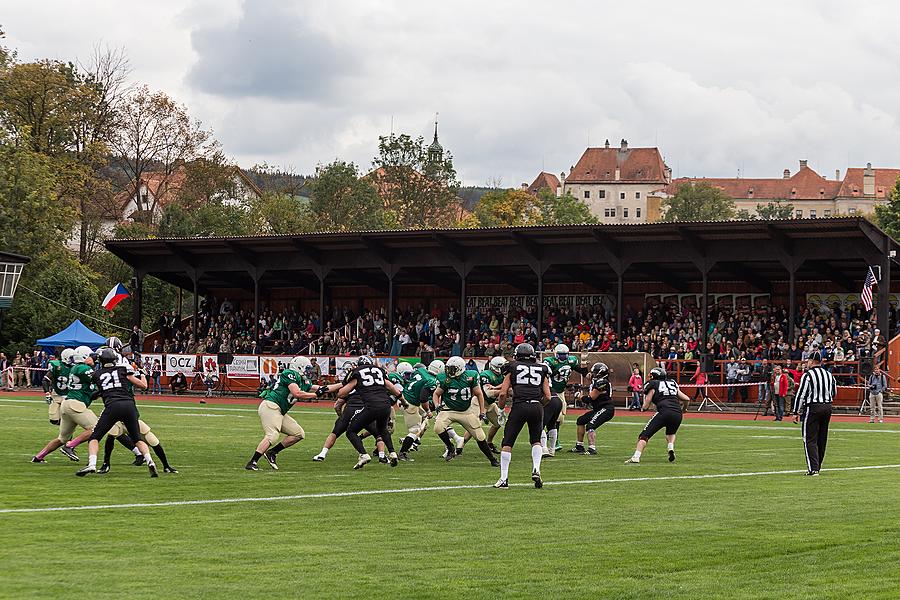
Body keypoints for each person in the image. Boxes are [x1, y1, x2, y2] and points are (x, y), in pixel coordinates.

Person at [75, 348, 159, 477]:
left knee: (95, 437)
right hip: (129, 405)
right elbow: (143, 386)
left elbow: (94, 390)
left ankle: (92, 464)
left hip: (112, 406)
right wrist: (143, 374)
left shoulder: (97, 374)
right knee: (136, 438)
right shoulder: (123, 370)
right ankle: (150, 461)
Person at [245, 356, 323, 471]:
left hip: (279, 411)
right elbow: (297, 393)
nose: (308, 371)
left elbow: (322, 388)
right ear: (299, 367)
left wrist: (343, 385)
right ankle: (252, 462)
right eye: (306, 368)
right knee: (272, 435)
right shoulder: (289, 374)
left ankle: (272, 452)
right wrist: (316, 394)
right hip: (271, 406)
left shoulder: (303, 381)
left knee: (298, 433)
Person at [494, 343, 551, 489]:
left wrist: (500, 409)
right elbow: (548, 397)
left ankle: (504, 479)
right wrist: (538, 406)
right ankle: (536, 469)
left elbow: (502, 393)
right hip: (537, 406)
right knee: (536, 440)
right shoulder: (542, 368)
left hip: (519, 405)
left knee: (507, 443)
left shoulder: (511, 367)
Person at [31, 346, 97, 463]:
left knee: (62, 438)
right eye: (91, 356)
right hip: (75, 404)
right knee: (95, 428)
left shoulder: (77, 367)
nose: (94, 359)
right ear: (84, 357)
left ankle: (38, 457)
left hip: (67, 404)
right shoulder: (82, 368)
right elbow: (99, 378)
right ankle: (70, 446)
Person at [335, 355, 402, 469]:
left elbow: (341, 393)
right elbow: (392, 387)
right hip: (386, 405)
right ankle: (392, 452)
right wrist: (403, 400)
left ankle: (363, 454)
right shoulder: (379, 371)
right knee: (382, 430)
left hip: (371, 406)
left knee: (351, 431)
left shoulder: (357, 373)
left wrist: (339, 392)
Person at [431, 356, 499, 466]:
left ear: (460, 368)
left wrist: (482, 411)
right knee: (438, 427)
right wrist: (437, 405)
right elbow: (436, 393)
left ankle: (492, 459)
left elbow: (479, 394)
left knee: (480, 436)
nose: (449, 371)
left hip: (466, 411)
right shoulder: (444, 378)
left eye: (452, 369)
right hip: (449, 410)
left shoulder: (470, 376)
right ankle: (450, 447)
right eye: (448, 368)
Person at [625, 366, 689, 464]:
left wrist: (644, 408)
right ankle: (670, 447)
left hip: (664, 412)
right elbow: (686, 399)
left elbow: (646, 405)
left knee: (644, 436)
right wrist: (684, 409)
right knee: (670, 433)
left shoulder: (653, 384)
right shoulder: (672, 383)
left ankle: (636, 457)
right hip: (677, 413)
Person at [793, 354, 836, 476]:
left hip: (813, 407)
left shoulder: (808, 375)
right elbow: (834, 392)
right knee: (822, 438)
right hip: (827, 407)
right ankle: (818, 465)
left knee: (809, 438)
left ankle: (813, 468)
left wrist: (796, 411)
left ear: (811, 361)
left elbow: (801, 394)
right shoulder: (828, 375)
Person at [542, 344, 588, 456]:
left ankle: (550, 436)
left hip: (560, 392)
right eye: (561, 355)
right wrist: (558, 370)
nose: (564, 357)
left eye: (565, 355)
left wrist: (584, 362)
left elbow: (583, 373)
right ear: (556, 354)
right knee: (548, 417)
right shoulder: (549, 361)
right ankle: (550, 441)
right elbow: (545, 374)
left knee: (560, 418)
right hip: (549, 391)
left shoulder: (571, 360)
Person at [570, 362, 614, 455]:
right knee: (581, 420)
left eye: (595, 372)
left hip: (606, 408)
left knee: (591, 425)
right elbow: (585, 374)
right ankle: (579, 446)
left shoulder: (602, 383)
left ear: (600, 373)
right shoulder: (598, 380)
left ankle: (592, 448)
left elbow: (590, 399)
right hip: (598, 408)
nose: (593, 374)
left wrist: (579, 396)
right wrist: (583, 363)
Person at [42, 348, 74, 426]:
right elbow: (45, 380)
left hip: (69, 396)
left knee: (66, 418)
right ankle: (66, 429)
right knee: (53, 419)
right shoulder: (57, 366)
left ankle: (67, 433)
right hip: (56, 394)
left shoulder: (76, 368)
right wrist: (47, 393)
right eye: (71, 358)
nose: (74, 360)